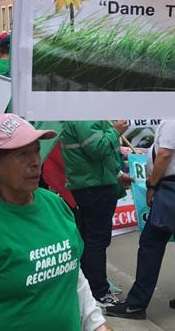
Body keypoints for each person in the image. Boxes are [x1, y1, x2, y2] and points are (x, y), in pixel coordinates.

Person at [0, 113, 110, 331]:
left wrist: (96, 324)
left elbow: (74, 276)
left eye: (36, 150)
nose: (35, 162)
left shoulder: (54, 204)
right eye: (22, 155)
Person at [108, 118, 175, 320]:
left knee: (151, 244)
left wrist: (152, 185)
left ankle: (136, 305)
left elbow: (164, 154)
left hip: (172, 189)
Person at [59, 119, 131, 307]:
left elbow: (102, 156)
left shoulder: (84, 114)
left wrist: (117, 174)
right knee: (96, 241)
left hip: (94, 183)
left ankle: (90, 286)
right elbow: (97, 149)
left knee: (91, 239)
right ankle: (98, 292)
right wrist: (115, 132)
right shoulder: (84, 115)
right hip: (94, 186)